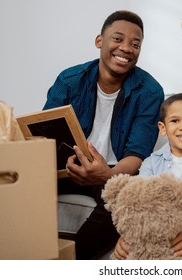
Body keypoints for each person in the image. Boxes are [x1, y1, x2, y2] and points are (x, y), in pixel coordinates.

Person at [43, 10, 164, 259]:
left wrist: (106, 175)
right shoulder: (69, 80)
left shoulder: (150, 91)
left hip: (115, 170)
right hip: (67, 167)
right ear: (100, 41)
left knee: (129, 198)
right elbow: (46, 137)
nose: (126, 48)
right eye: (117, 39)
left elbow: (137, 153)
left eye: (135, 44)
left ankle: (75, 261)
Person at [112, 93, 182, 259]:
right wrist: (128, 234)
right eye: (175, 121)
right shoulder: (150, 163)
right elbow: (140, 202)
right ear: (162, 128)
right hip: (156, 239)